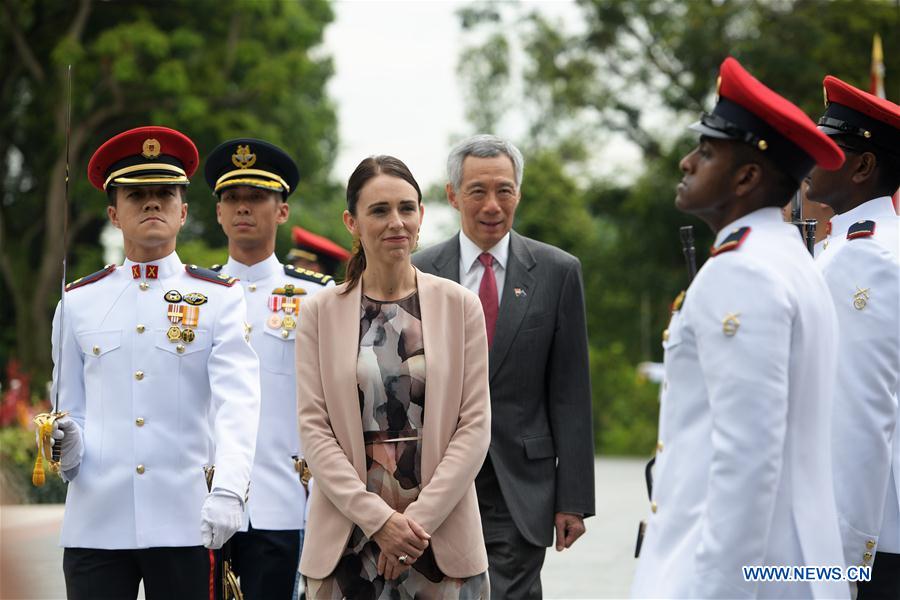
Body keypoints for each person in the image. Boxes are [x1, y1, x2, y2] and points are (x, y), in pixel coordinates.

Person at [630, 57, 849, 598]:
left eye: (705, 153)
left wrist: (718, 589)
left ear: (747, 176)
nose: (685, 162)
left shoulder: (743, 271)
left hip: (745, 573)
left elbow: (746, 459)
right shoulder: (787, 256)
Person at [50, 126, 261, 599]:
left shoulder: (219, 299)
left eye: (164, 194)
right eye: (136, 195)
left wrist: (230, 488)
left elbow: (238, 404)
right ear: (113, 214)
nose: (151, 204)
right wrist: (67, 442)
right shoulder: (78, 302)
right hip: (96, 522)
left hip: (186, 517)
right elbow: (70, 407)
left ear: (183, 212)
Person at [297, 155, 491, 598]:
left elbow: (475, 425)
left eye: (407, 208)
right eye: (379, 210)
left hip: (438, 540)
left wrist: (413, 525)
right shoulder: (319, 313)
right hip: (348, 540)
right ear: (352, 221)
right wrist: (378, 521)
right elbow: (314, 430)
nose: (396, 222)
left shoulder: (460, 307)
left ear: (422, 215)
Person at [412, 134, 595, 598]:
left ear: (519, 192)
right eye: (478, 191)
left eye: (504, 190)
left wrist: (573, 500)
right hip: (436, 480)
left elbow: (570, 391)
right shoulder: (421, 272)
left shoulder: (557, 272)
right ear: (453, 195)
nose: (492, 205)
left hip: (520, 482)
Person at [205, 138, 335, 598]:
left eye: (257, 197)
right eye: (232, 199)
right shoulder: (195, 298)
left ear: (282, 210)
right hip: (206, 495)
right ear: (218, 212)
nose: (243, 209)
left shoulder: (318, 296)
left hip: (284, 497)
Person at [807, 76, 900, 599]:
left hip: (872, 538)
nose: (810, 157)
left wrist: (841, 561)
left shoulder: (864, 257)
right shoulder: (861, 245)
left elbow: (860, 418)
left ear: (863, 166)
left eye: (828, 146)